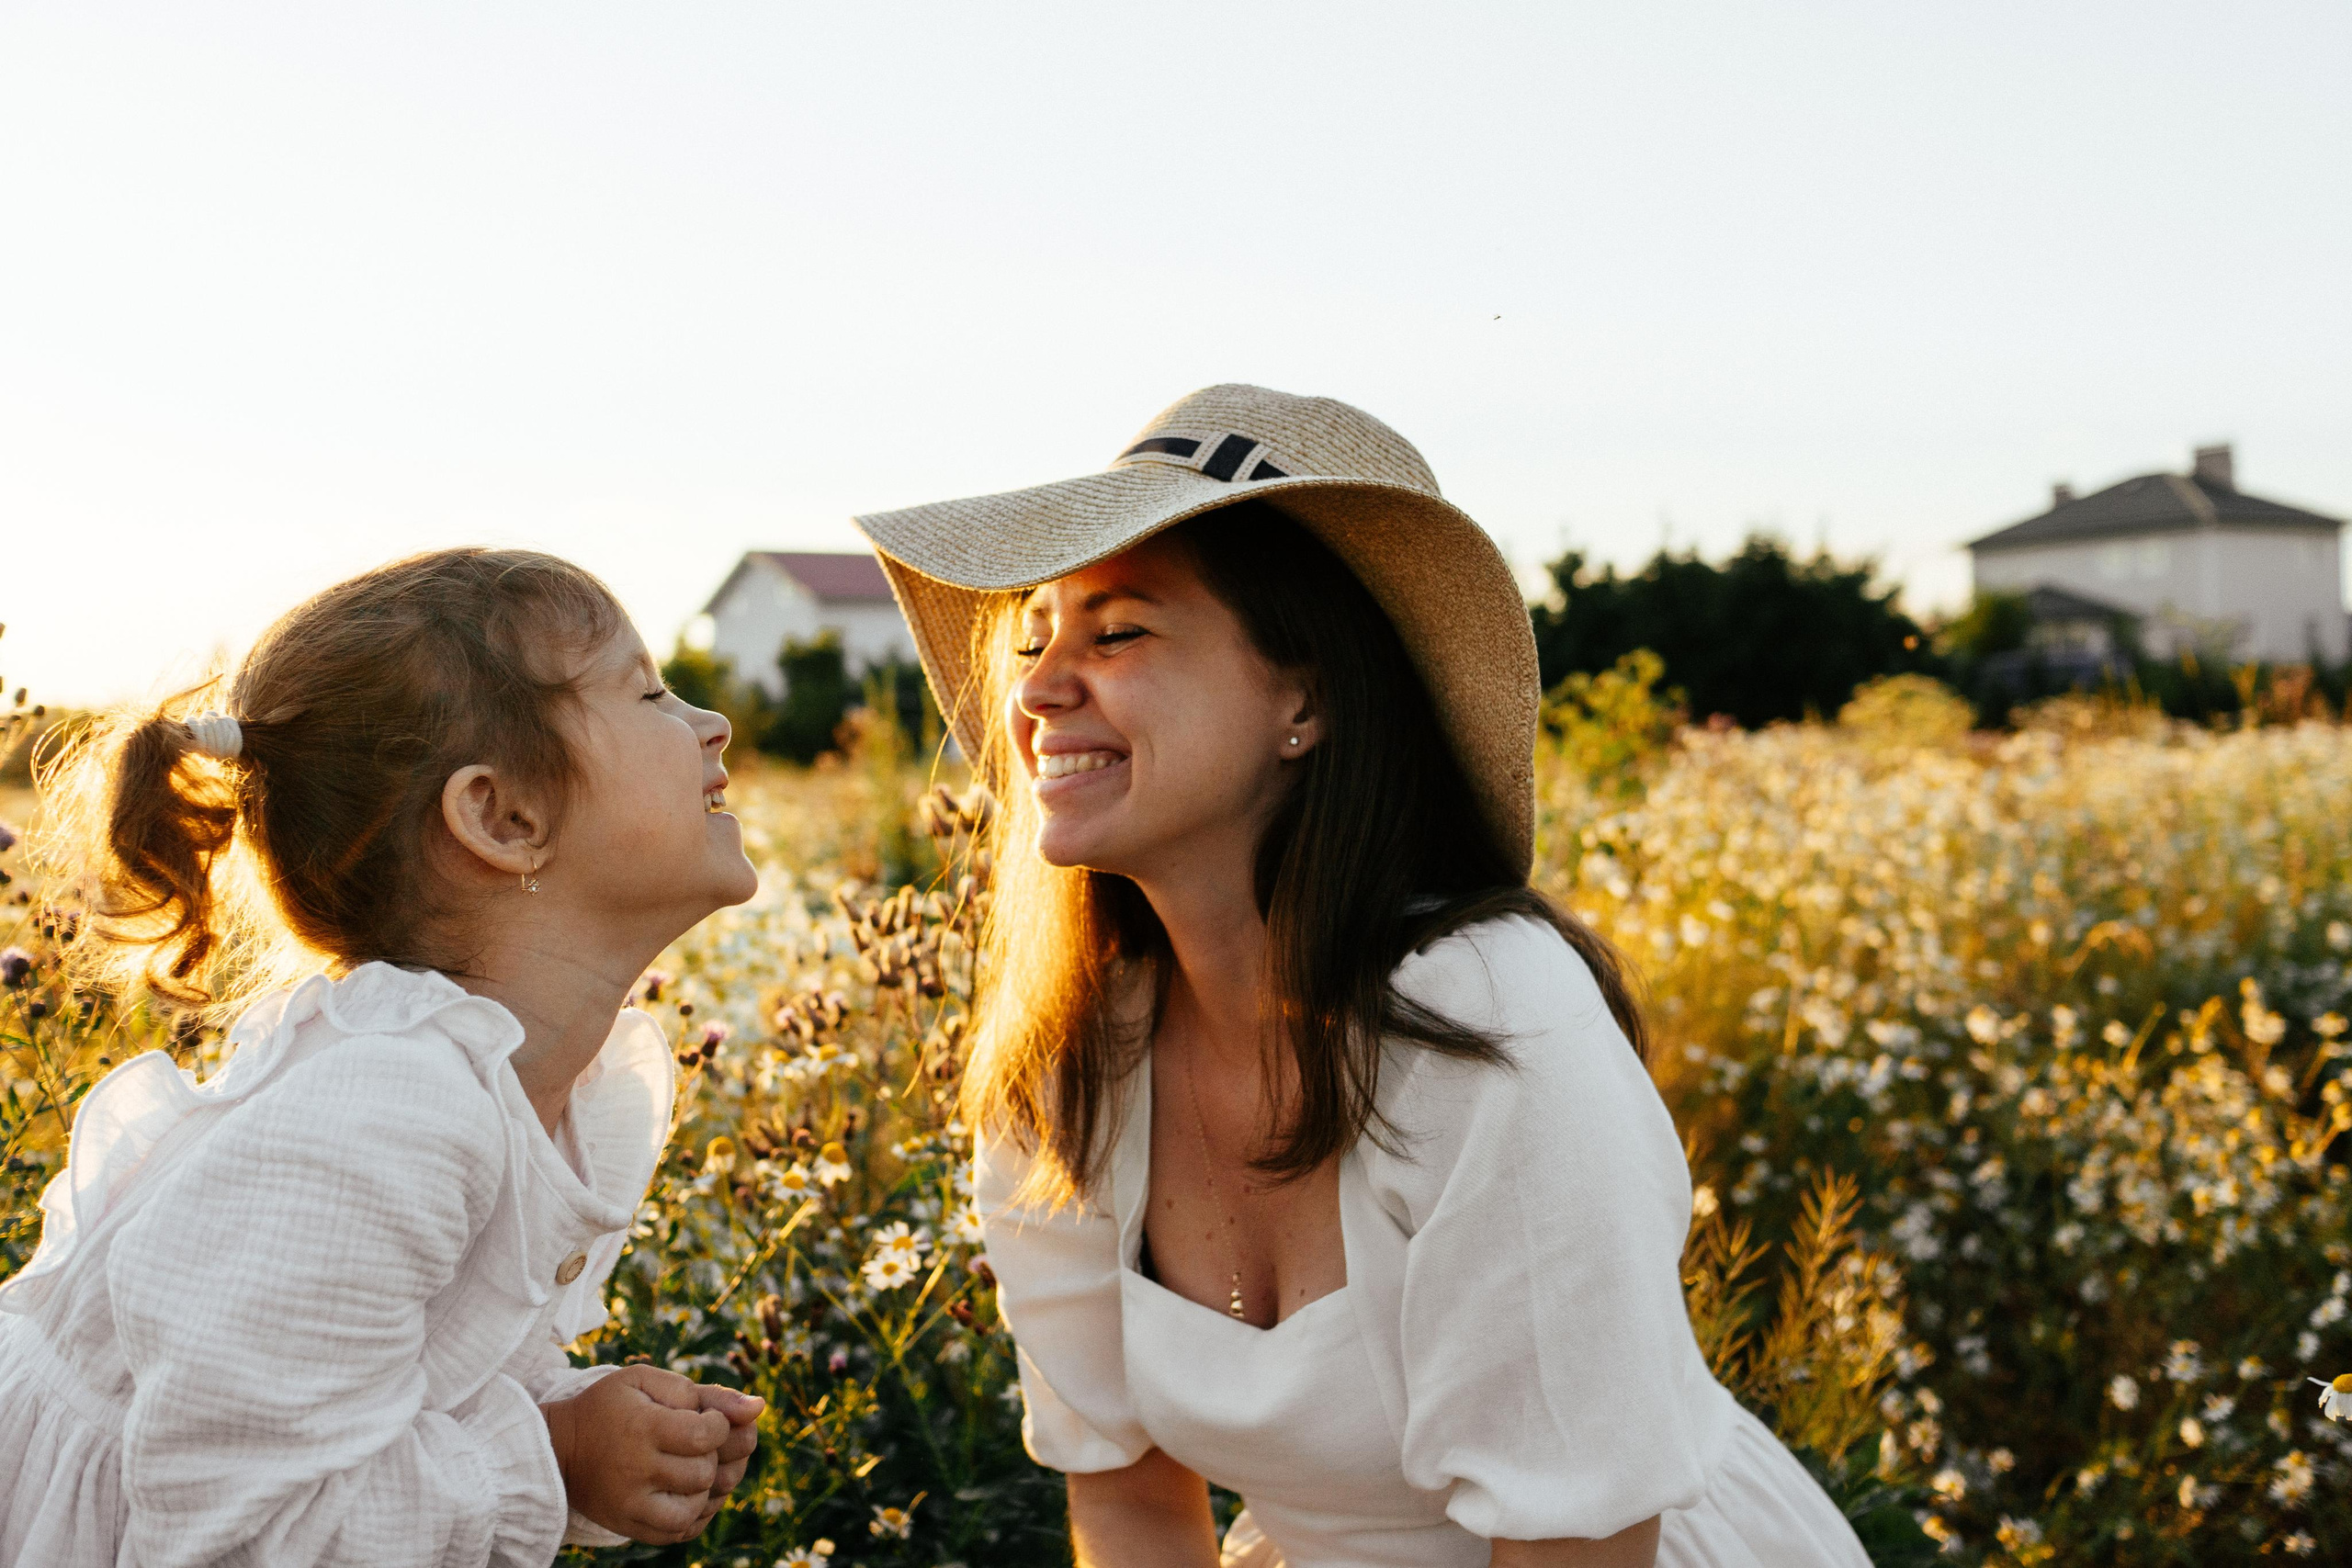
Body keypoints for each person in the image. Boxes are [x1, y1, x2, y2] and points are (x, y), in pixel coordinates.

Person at [853, 386, 1873, 1568]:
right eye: (1035, 636)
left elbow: (1581, 1544)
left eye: (1118, 631)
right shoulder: (1074, 1052)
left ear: (1307, 697)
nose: (1033, 692)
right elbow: (1130, 1504)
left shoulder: (1483, 1019)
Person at [0, 548, 764, 1567]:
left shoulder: (525, 1079)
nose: (710, 724)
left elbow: (379, 1374)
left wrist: (575, 1409)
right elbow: (246, 1534)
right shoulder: (386, 1113)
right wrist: (551, 1455)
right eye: (651, 692)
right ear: (503, 818)